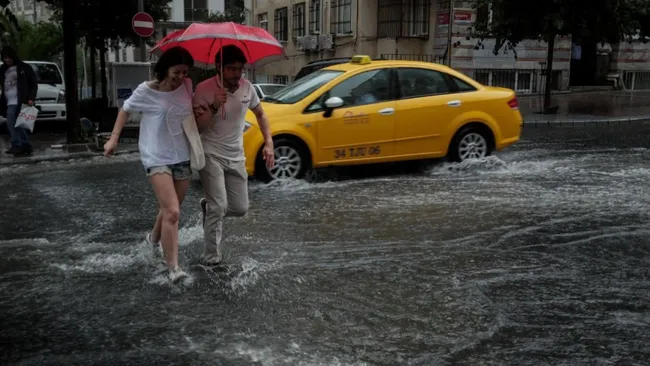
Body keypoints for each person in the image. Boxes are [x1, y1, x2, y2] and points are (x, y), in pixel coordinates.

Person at [103, 46, 195, 283]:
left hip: (182, 155)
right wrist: (114, 138)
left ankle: (153, 240)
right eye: (177, 72)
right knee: (173, 212)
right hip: (156, 157)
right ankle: (174, 268)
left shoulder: (187, 86)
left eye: (185, 72)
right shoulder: (147, 90)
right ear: (165, 68)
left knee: (168, 210)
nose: (181, 77)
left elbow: (187, 113)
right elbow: (125, 110)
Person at [193, 45, 275, 266]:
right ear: (219, 68)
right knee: (219, 206)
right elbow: (197, 128)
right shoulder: (203, 89)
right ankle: (211, 258)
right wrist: (213, 106)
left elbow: (261, 114)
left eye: (240, 69)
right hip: (210, 153)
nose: (237, 74)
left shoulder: (248, 88)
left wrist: (269, 143)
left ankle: (209, 209)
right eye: (230, 69)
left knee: (240, 208)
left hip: (236, 156)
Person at [0, 46, 38, 156]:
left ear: (13, 56)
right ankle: (25, 145)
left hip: (19, 100)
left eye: (8, 57)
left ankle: (17, 145)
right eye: (4, 58)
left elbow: (33, 84)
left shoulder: (24, 67)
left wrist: (31, 98)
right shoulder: (3, 69)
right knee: (18, 124)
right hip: (8, 100)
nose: (7, 60)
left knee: (11, 123)